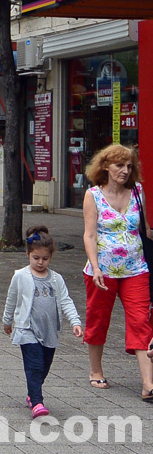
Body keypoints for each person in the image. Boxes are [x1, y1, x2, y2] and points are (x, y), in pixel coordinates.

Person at [80, 143, 153, 398]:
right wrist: (96, 267)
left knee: (141, 321)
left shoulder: (138, 192)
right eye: (119, 165)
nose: (125, 170)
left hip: (136, 269)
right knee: (99, 319)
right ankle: (96, 370)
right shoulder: (93, 195)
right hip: (103, 272)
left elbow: (144, 230)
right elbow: (89, 235)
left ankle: (148, 384)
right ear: (106, 167)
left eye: (129, 166)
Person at [2, 226, 82, 418]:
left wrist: (75, 322)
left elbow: (65, 301)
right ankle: (37, 401)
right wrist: (7, 320)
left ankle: (33, 392)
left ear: (51, 257)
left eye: (44, 259)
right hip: (26, 329)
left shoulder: (56, 279)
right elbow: (11, 299)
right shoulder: (20, 276)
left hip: (49, 331)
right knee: (35, 365)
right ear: (28, 254)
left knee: (44, 366)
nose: (40, 262)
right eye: (36, 258)